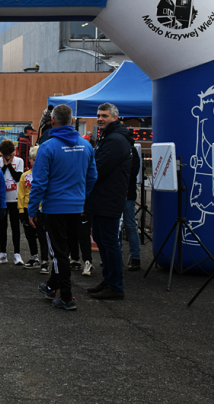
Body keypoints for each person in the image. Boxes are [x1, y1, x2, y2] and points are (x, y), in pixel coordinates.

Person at [28, 104, 97, 311]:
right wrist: (81, 197)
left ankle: (66, 297)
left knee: (58, 253)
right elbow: (92, 177)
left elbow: (39, 182)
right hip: (76, 207)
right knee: (63, 249)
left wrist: (32, 209)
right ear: (72, 121)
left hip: (54, 208)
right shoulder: (86, 146)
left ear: (52, 122)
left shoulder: (47, 147)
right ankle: (51, 287)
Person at [85, 103, 134, 300]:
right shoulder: (108, 137)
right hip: (101, 198)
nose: (100, 119)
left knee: (109, 242)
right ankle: (108, 281)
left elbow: (98, 168)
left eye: (104, 116)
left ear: (115, 117)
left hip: (109, 199)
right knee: (102, 240)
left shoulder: (115, 140)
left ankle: (115, 286)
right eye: (98, 115)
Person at [17, 145, 49, 271]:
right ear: (29, 160)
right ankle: (34, 257)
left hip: (42, 210)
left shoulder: (47, 175)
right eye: (34, 159)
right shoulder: (25, 175)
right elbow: (20, 194)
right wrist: (21, 211)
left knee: (42, 236)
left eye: (38, 159)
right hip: (27, 208)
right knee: (30, 235)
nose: (36, 162)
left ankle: (45, 260)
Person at [0, 139, 25, 266]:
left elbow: (17, 177)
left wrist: (9, 165)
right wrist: (5, 165)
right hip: (2, 198)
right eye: (4, 155)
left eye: (9, 155)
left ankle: (17, 253)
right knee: (2, 226)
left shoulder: (19, 161)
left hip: (14, 198)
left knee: (15, 226)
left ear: (13, 152)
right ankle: (2, 253)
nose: (7, 157)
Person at [124, 140, 142, 271]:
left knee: (128, 225)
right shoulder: (132, 150)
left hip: (124, 193)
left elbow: (133, 171)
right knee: (129, 225)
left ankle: (135, 257)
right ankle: (135, 257)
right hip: (127, 193)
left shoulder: (129, 150)